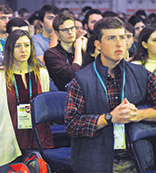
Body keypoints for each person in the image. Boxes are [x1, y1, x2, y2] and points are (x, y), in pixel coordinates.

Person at [65, 17, 156, 172]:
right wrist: (108, 118)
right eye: (111, 38)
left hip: (138, 159)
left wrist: (139, 114)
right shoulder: (81, 80)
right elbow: (72, 124)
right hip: (97, 161)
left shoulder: (141, 74)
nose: (119, 43)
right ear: (98, 44)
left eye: (123, 37)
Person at [0, 30, 54, 172]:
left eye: (27, 45)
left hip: (35, 137)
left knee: (39, 167)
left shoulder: (42, 72)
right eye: (18, 46)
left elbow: (44, 109)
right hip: (7, 139)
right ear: (10, 49)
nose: (23, 50)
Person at [44, 11, 87, 91]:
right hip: (66, 97)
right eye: (65, 30)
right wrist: (78, 48)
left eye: (72, 28)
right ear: (57, 33)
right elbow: (73, 74)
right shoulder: (51, 54)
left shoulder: (84, 48)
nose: (70, 32)